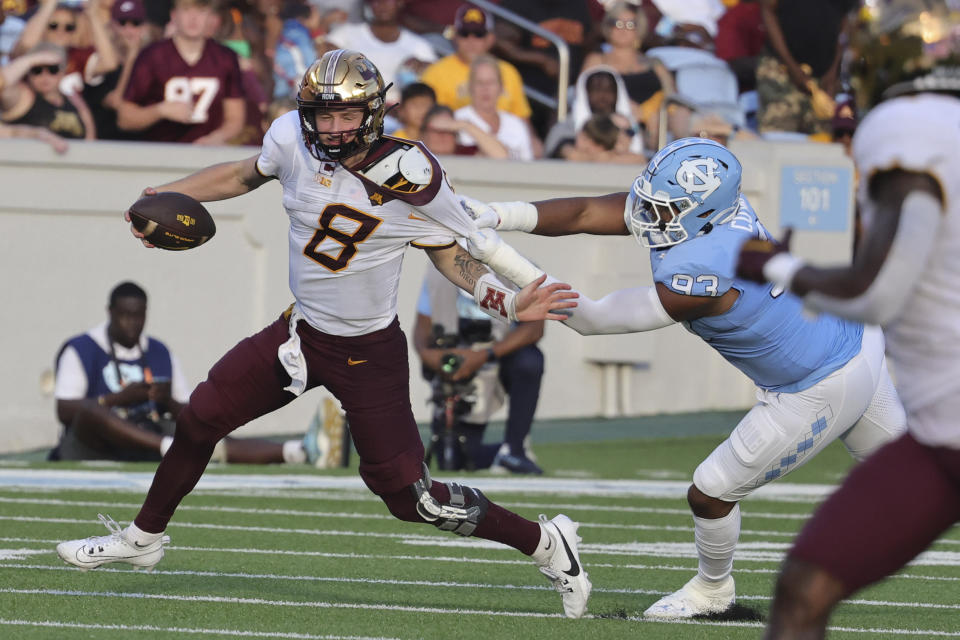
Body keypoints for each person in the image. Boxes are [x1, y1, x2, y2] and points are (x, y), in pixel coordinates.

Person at [54, 49, 591, 620]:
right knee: (199, 417)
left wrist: (507, 300)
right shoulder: (290, 138)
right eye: (322, 115)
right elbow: (241, 173)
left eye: (346, 116)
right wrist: (165, 195)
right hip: (300, 333)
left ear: (374, 111)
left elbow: (454, 256)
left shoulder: (412, 175)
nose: (332, 129)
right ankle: (143, 539)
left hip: (368, 353)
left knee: (417, 502)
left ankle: (546, 543)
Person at [462, 136, 907, 619]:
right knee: (919, 479)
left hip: (820, 383)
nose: (648, 216)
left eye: (665, 210)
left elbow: (592, 320)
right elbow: (587, 212)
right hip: (854, 336)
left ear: (702, 214)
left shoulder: (703, 271)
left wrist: (502, 260)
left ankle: (712, 590)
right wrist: (502, 213)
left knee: (711, 491)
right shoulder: (705, 216)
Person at [735, 3, 960, 636]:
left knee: (805, 591)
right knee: (806, 584)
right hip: (941, 436)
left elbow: (876, 294)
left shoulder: (906, 125)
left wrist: (781, 268)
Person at [51, 281, 332, 465]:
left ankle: (300, 451)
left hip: (145, 431)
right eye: (125, 315)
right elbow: (65, 411)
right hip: (92, 442)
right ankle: (168, 447)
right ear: (110, 312)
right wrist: (117, 399)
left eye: (139, 315)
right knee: (93, 411)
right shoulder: (83, 347)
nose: (132, 323)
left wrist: (167, 402)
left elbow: (187, 411)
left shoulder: (159, 351)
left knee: (201, 428)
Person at [413, 263, 545, 474]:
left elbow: (535, 329)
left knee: (529, 360)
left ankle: (515, 448)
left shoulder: (520, 269)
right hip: (461, 360)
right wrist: (439, 360)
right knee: (455, 459)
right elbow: (421, 334)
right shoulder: (438, 271)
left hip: (499, 356)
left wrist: (485, 355)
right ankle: (502, 454)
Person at [118, 0, 245, 144]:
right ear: (173, 15)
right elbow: (124, 118)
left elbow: (235, 118)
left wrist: (217, 137)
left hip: (209, 156)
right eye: (186, 10)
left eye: (201, 11)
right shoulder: (152, 57)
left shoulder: (225, 58)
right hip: (161, 152)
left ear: (211, 17)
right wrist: (160, 111)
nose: (193, 18)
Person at [756, 0, 858, 136]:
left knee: (820, 144)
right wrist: (791, 65)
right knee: (779, 139)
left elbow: (844, 23)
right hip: (780, 71)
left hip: (822, 80)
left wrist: (834, 70)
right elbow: (768, 9)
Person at [581, 1, 675, 146]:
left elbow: (673, 99)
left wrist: (650, 114)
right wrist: (624, 107)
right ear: (608, 26)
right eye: (617, 23)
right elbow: (583, 98)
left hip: (656, 126)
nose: (623, 29)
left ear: (640, 28)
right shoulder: (596, 60)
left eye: (630, 24)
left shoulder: (655, 64)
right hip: (610, 127)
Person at [420, 5, 533, 122]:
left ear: (491, 39)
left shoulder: (509, 72)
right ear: (455, 37)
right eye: (465, 33)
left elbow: (523, 123)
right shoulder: (435, 73)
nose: (471, 40)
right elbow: (425, 122)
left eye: (479, 34)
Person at [319, 0, 436, 104]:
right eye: (376, 1)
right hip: (354, 106)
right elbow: (322, 59)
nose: (382, 5)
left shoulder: (418, 45)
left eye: (388, 1)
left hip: (400, 112)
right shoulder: (347, 33)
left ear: (399, 3)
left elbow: (435, 79)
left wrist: (423, 67)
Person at [1, 43, 95, 139]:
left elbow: (90, 140)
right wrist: (32, 60)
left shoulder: (75, 101)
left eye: (53, 69)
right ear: (28, 73)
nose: (44, 76)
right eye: (37, 70)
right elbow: (2, 84)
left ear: (63, 72)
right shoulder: (22, 98)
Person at [454, 54, 537, 161]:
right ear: (470, 87)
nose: (485, 88)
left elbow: (528, 163)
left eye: (491, 82)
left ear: (501, 87)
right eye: (479, 82)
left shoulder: (516, 124)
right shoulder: (457, 119)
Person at [419, 103, 507, 158]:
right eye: (437, 130)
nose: (443, 136)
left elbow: (501, 156)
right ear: (424, 135)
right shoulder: (413, 156)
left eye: (449, 130)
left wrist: (466, 125)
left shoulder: (463, 154)